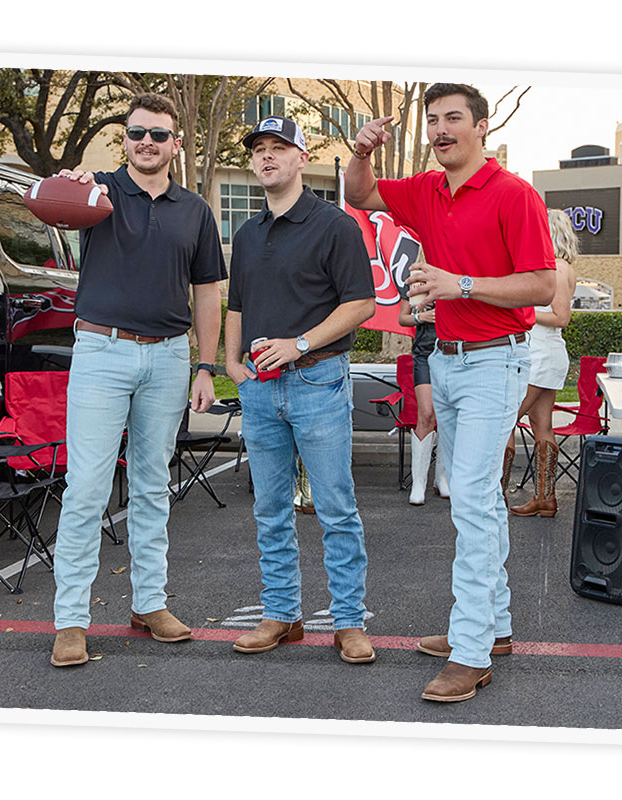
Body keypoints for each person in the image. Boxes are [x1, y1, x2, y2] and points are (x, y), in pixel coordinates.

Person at [346, 84, 555, 701]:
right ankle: (495, 628)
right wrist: (362, 151)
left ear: (482, 127)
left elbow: (542, 286)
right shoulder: (427, 189)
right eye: (433, 120)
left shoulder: (514, 195)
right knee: (481, 501)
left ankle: (470, 651)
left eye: (453, 119)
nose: (440, 130)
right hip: (451, 359)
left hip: (497, 364)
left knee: (468, 500)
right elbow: (360, 194)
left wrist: (460, 284)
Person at [48, 93, 226, 668]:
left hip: (170, 357)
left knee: (153, 487)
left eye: (158, 134)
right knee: (87, 489)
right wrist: (70, 178)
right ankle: (71, 620)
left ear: (176, 144)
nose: (146, 142)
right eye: (136, 133)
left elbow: (206, 292)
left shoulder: (195, 209)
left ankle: (150, 602)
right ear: (124, 138)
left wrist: (206, 365)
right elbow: (48, 202)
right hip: (102, 351)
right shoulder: (95, 190)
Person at [224, 116, 379, 664]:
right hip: (260, 390)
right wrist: (229, 361)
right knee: (270, 510)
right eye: (259, 149)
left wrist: (299, 344)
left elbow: (362, 303)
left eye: (279, 148)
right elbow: (236, 303)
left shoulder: (334, 225)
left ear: (300, 156)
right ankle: (281, 615)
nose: (267, 157)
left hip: (318, 380)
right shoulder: (246, 233)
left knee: (335, 509)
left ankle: (348, 623)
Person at [507, 209, 578, 517]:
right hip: (548, 355)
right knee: (542, 425)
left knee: (505, 419)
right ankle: (544, 498)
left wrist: (521, 313)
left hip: (540, 355)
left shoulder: (557, 270)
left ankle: (494, 494)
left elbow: (561, 317)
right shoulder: (563, 268)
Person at [398, 297, 450, 505]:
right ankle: (419, 483)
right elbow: (403, 318)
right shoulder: (415, 279)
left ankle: (442, 479)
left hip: (452, 351)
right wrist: (421, 317)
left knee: (448, 417)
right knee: (426, 413)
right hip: (425, 353)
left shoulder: (456, 274)